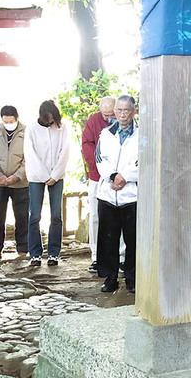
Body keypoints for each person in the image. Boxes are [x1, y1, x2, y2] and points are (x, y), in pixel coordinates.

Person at [94, 95, 139, 293]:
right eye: (119, 111)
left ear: (134, 112)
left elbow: (144, 160)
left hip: (132, 195)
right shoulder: (105, 134)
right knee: (108, 239)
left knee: (133, 239)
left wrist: (125, 177)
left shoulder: (142, 135)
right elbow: (99, 159)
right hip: (108, 194)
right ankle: (110, 278)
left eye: (126, 111)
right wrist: (113, 176)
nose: (122, 115)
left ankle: (132, 278)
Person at [24, 100, 70, 267]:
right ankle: (35, 254)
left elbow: (65, 151)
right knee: (35, 215)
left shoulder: (61, 128)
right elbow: (30, 154)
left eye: (53, 119)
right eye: (48, 119)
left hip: (57, 176)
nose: (50, 123)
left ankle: (54, 253)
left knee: (56, 214)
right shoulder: (31, 128)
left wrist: (55, 174)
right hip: (36, 176)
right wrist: (44, 175)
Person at [0, 106, 28, 262]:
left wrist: (18, 175)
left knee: (22, 215)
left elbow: (29, 156)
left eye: (11, 121)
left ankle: (23, 248)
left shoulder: (26, 132)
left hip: (21, 183)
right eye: (5, 121)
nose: (8, 123)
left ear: (17, 118)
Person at [80, 96, 116, 272]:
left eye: (111, 114)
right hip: (96, 175)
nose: (109, 118)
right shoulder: (93, 120)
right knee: (95, 215)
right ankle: (96, 256)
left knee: (120, 216)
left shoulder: (123, 121)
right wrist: (98, 166)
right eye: (105, 114)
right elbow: (86, 143)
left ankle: (121, 257)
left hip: (118, 177)